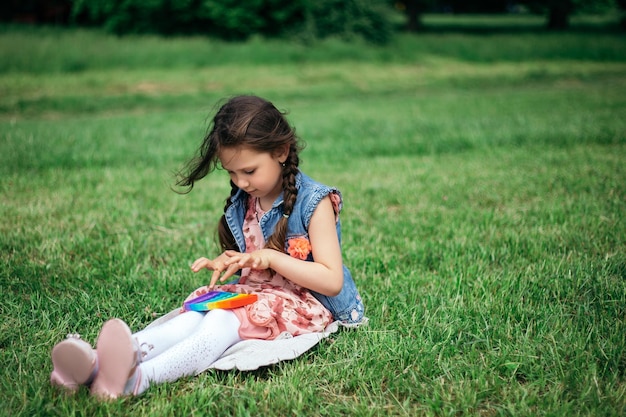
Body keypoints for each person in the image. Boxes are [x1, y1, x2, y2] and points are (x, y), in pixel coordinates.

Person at [49, 95, 365, 399]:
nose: (240, 182)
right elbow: (255, 256)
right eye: (231, 172)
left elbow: (331, 279)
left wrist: (269, 257)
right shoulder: (248, 198)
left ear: (281, 151)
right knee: (194, 316)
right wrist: (233, 261)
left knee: (220, 321)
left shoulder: (315, 202)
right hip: (257, 296)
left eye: (249, 171)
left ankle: (140, 379)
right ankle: (100, 362)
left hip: (305, 303)